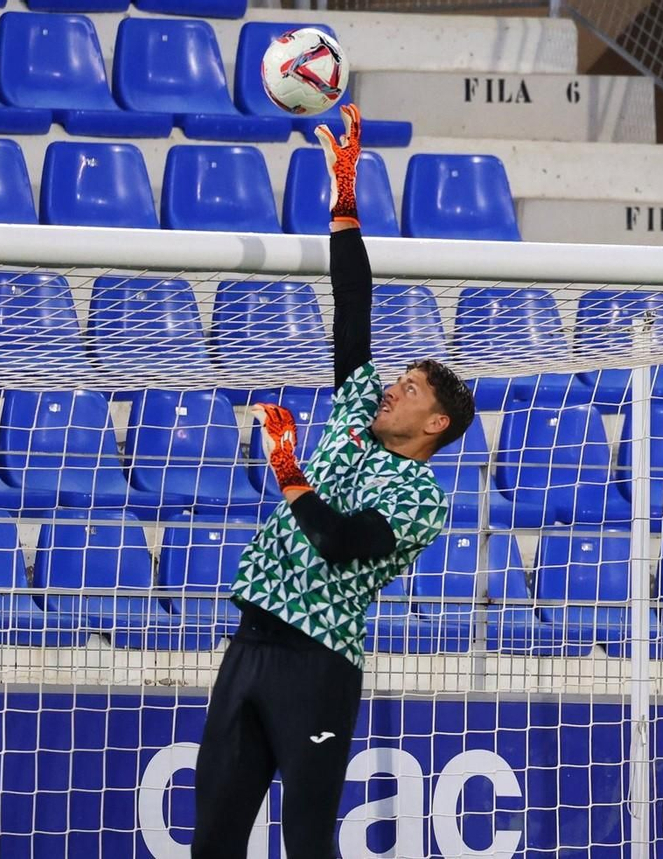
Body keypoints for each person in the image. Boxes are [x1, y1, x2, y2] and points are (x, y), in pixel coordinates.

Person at [188, 103, 477, 859]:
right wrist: (344, 195)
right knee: (212, 840)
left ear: (435, 423)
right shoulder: (355, 407)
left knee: (308, 841)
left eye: (409, 389)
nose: (392, 389)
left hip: (318, 662)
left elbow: (344, 543)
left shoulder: (422, 496)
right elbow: (353, 302)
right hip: (250, 641)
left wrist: (287, 469)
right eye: (398, 379)